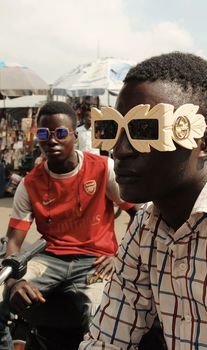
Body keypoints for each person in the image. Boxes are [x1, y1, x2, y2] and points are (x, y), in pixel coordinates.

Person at [79, 52, 207, 349]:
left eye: (144, 130)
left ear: (206, 143)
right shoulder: (144, 230)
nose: (120, 151)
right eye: (111, 130)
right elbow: (107, 338)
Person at [0, 101, 136, 349]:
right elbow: (13, 242)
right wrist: (13, 282)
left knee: (102, 318)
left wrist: (122, 255)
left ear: (75, 135)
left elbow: (140, 214)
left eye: (60, 133)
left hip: (95, 261)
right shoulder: (29, 184)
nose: (51, 140)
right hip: (49, 259)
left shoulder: (104, 169)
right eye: (44, 133)